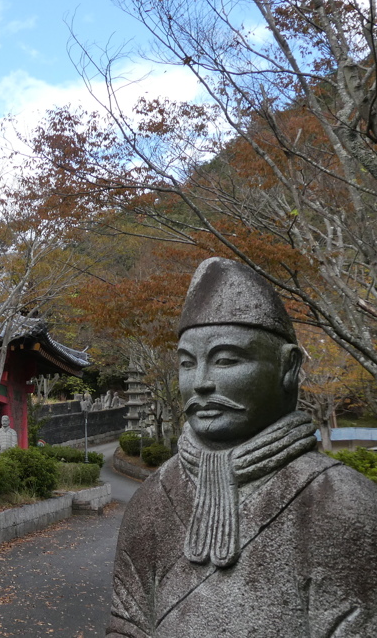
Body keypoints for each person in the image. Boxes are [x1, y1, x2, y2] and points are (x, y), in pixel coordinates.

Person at [108, 258, 377, 637]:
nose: (200, 382)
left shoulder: (342, 502)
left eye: (226, 360)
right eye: (187, 364)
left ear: (288, 367)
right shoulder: (151, 500)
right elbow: (128, 626)